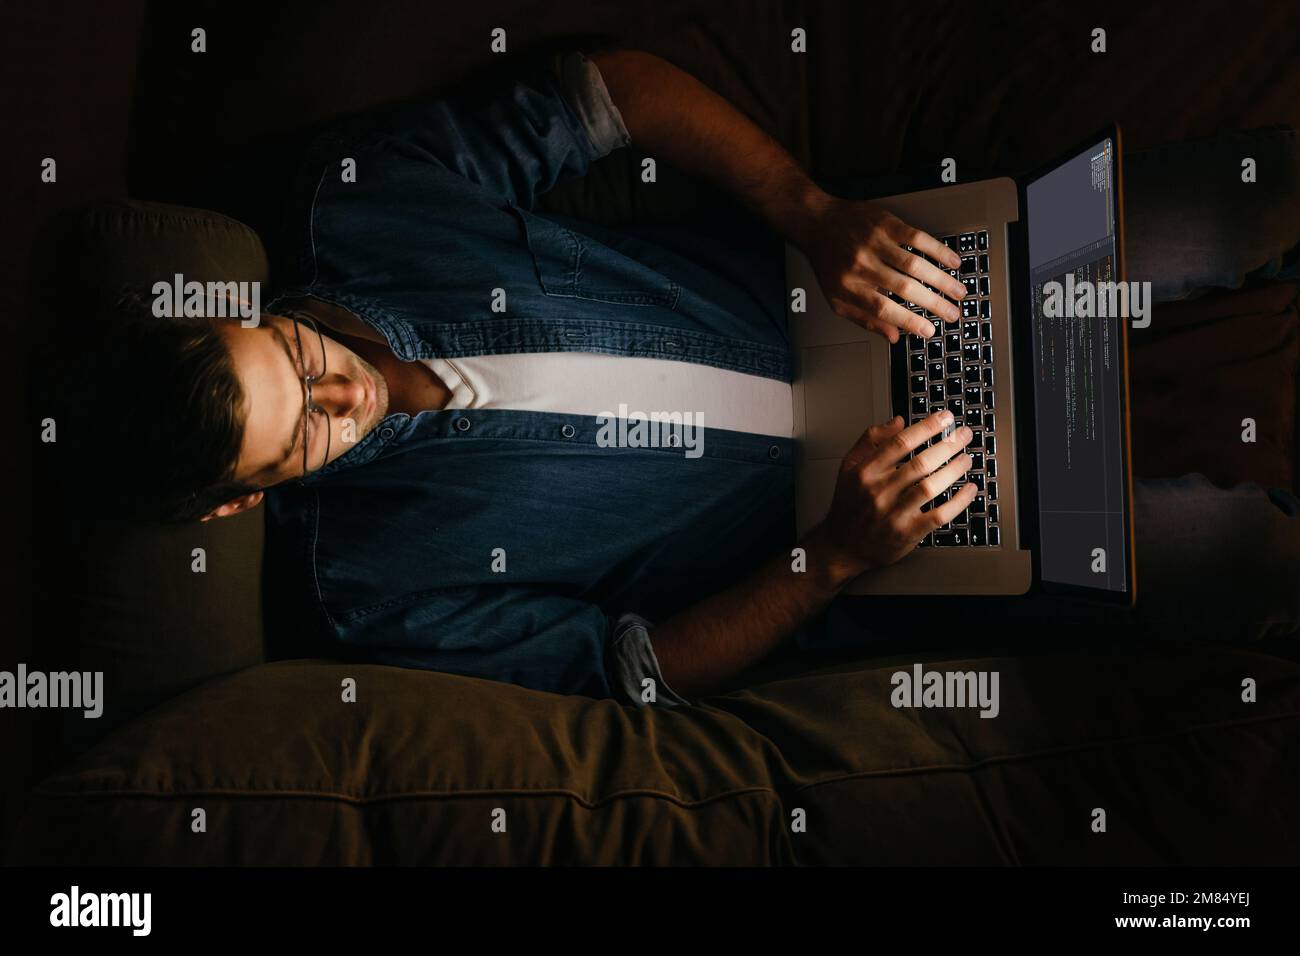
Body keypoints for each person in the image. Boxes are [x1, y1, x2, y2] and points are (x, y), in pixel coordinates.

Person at [106, 49, 1300, 704]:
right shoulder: (372, 598)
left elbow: (613, 92)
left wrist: (817, 213)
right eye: (301, 434)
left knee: (1241, 193)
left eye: (294, 352)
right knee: (1242, 572)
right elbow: (633, 666)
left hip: (847, 291)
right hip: (864, 530)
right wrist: (834, 555)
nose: (339, 390)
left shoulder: (358, 206)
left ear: (246, 309)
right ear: (241, 500)